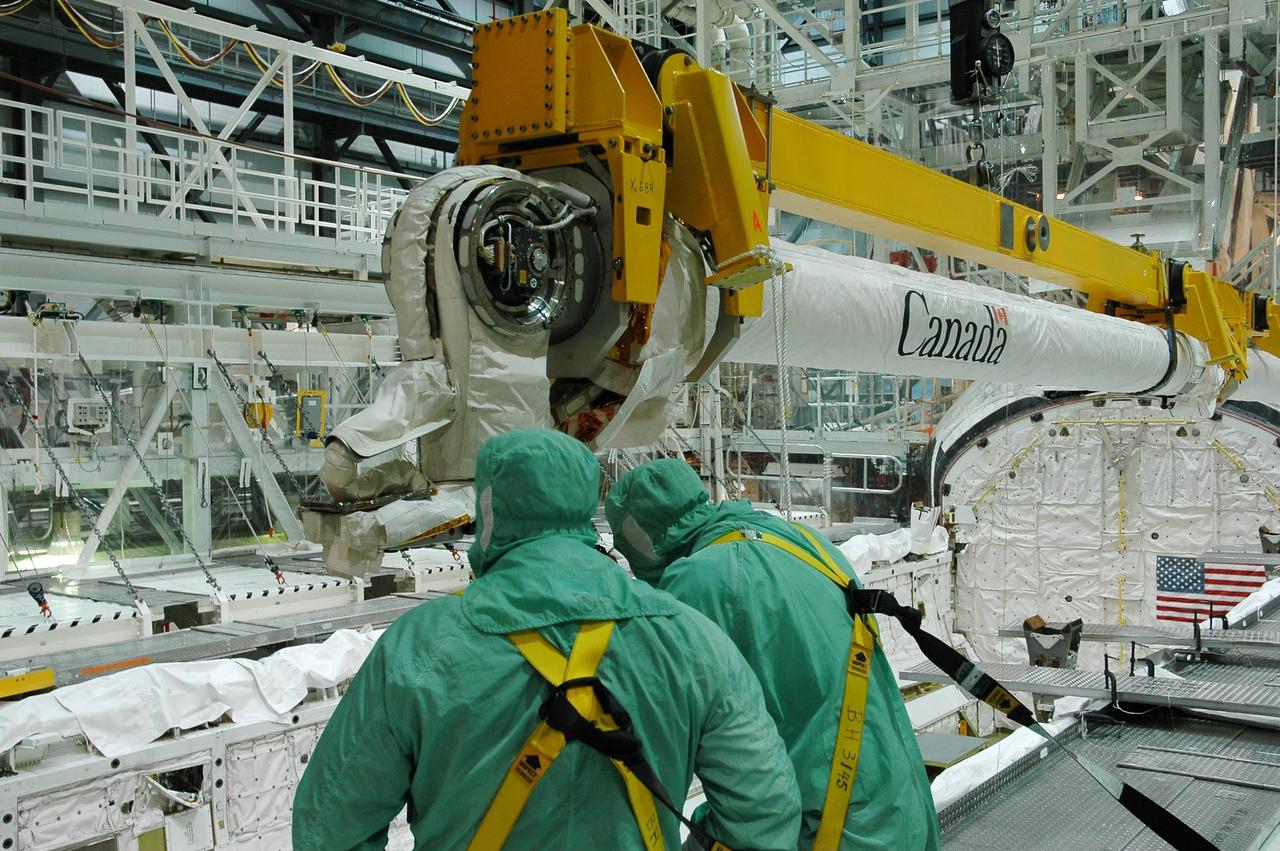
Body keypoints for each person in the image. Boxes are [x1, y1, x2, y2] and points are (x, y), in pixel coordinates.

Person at [293, 429, 801, 850]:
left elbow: (328, 829)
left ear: (489, 512)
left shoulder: (417, 650)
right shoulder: (692, 641)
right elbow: (765, 812)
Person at [606, 459, 940, 851]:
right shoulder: (797, 539)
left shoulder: (695, 584)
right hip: (899, 807)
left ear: (639, 538)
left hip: (830, 830)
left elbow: (672, 752)